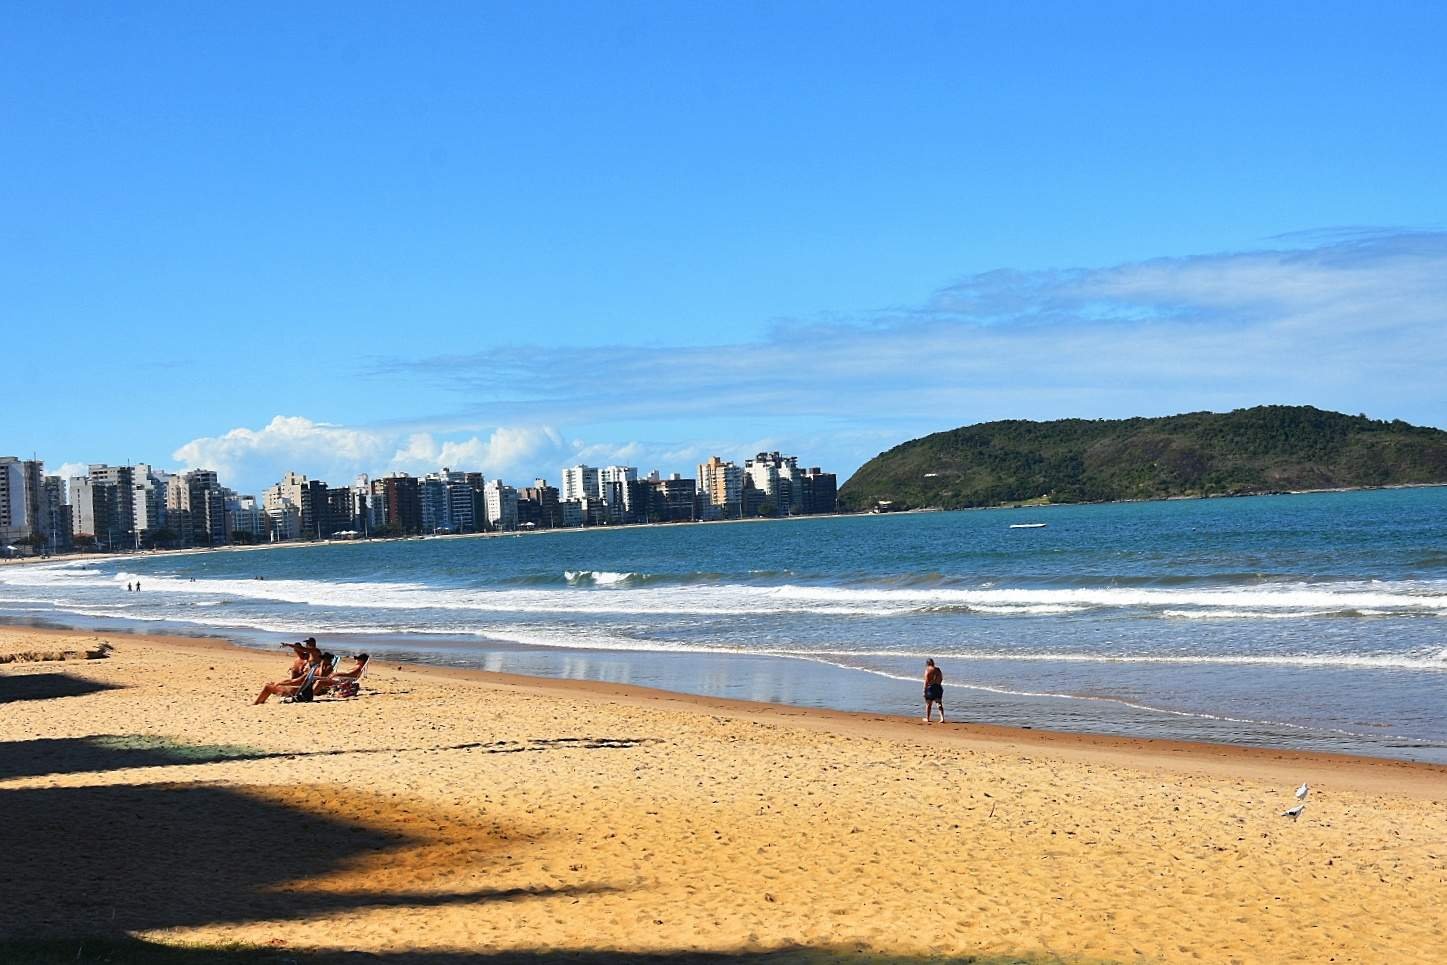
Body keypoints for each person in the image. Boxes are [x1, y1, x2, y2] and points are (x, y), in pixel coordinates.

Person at [923, 658, 945, 723]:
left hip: (930, 688)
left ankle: (928, 718)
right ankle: (942, 718)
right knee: (939, 703)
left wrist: (924, 690)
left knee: (928, 704)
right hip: (938, 687)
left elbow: (926, 681)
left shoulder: (927, 670)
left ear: (927, 664)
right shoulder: (938, 669)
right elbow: (941, 679)